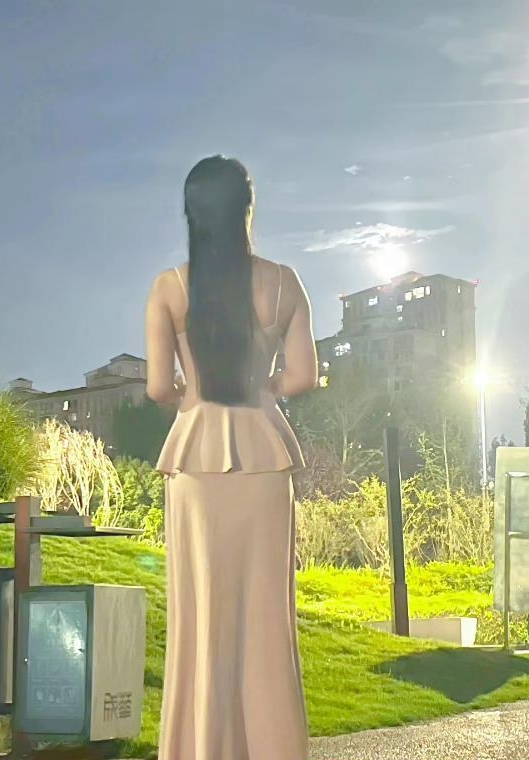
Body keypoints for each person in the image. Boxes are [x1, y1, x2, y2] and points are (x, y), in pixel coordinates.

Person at [145, 155, 318, 760]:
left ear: (192, 213)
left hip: (196, 460)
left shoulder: (170, 287)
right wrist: (264, 388)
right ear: (247, 210)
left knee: (202, 617)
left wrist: (190, 395)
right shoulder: (284, 283)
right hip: (264, 457)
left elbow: (157, 388)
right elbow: (303, 376)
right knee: (267, 619)